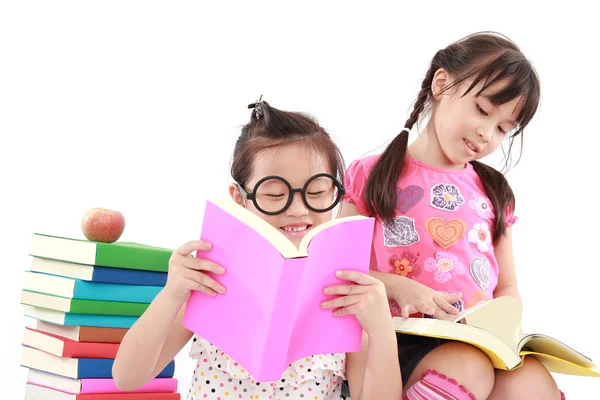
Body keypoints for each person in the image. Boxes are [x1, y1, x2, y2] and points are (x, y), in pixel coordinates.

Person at [112, 98, 402, 400]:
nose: (299, 210)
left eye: (316, 192)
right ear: (239, 198)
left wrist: (381, 329)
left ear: (335, 193)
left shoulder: (345, 298)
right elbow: (127, 377)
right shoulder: (211, 281)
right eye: (275, 195)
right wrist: (172, 294)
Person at [340, 32, 565, 399]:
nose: (486, 133)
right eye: (482, 110)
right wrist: (398, 287)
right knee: (468, 368)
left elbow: (506, 286)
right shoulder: (372, 174)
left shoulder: (493, 192)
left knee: (532, 380)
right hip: (391, 340)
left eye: (503, 129)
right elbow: (331, 270)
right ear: (442, 84)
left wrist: (504, 326)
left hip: (472, 341)